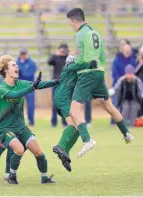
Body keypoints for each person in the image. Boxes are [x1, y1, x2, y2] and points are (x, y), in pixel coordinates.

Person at [66, 8, 134, 158]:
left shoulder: (79, 34)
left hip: (86, 75)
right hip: (99, 73)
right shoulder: (96, 32)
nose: (70, 25)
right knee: (108, 105)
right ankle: (127, 133)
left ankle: (87, 140)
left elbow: (79, 60)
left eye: (70, 22)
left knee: (74, 111)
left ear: (74, 20)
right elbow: (102, 57)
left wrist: (70, 63)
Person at [0, 55, 58, 184]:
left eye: (17, 65)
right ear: (6, 70)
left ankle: (45, 178)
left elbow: (39, 84)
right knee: (19, 149)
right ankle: (11, 176)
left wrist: (57, 81)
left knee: (39, 153)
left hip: (21, 127)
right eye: (13, 65)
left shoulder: (21, 83)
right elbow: (15, 94)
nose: (17, 67)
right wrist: (32, 87)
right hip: (5, 128)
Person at [53, 60, 98, 172]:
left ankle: (65, 153)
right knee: (73, 125)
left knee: (77, 129)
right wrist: (89, 64)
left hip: (62, 99)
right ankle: (60, 146)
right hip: (63, 99)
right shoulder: (69, 68)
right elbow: (81, 65)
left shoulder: (73, 74)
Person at [111, 43, 137, 124]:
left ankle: (124, 122)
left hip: (129, 86)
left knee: (126, 105)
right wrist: (121, 80)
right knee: (115, 104)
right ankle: (113, 121)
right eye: (126, 50)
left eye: (128, 50)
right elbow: (114, 74)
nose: (127, 52)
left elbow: (134, 72)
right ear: (122, 50)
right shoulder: (116, 60)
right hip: (118, 85)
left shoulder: (132, 60)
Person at [48, 44, 69, 127]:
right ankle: (54, 122)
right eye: (61, 50)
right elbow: (49, 62)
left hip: (65, 83)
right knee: (55, 103)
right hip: (56, 83)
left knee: (64, 103)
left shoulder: (68, 59)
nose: (63, 52)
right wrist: (56, 54)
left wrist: (69, 54)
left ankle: (64, 122)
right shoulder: (56, 57)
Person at [16, 48, 37, 126]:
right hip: (19, 87)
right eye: (22, 54)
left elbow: (30, 74)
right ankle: (19, 121)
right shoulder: (16, 63)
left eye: (24, 54)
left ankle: (31, 121)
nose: (23, 56)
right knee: (18, 105)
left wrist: (21, 72)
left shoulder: (31, 63)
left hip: (29, 86)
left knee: (31, 104)